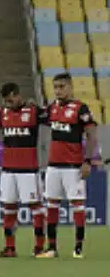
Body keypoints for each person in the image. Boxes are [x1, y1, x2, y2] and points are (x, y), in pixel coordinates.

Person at [39, 72, 101, 258]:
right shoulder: (52, 108)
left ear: (70, 87)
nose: (58, 91)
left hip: (73, 166)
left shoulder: (81, 109)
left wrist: (88, 161)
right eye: (55, 87)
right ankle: (51, 248)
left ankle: (78, 248)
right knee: (51, 205)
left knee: (77, 206)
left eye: (62, 87)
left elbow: (91, 136)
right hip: (53, 166)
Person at [0, 82, 47, 257]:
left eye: (11, 100)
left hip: (28, 169)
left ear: (19, 96)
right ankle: (10, 248)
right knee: (9, 206)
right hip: (8, 169)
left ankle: (40, 247)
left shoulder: (33, 111)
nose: (9, 104)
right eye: (6, 101)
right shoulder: (2, 113)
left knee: (35, 207)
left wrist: (39, 107)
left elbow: (50, 118)